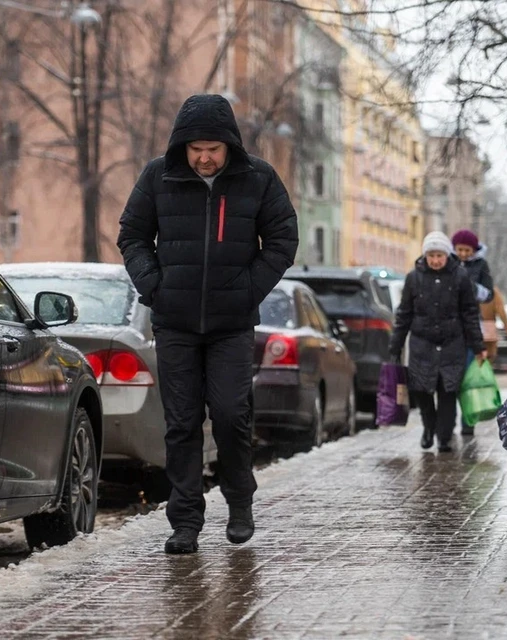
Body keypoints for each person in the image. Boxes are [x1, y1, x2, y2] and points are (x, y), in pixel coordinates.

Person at [117, 94, 298, 554]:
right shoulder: (159, 176)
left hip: (232, 324)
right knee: (180, 423)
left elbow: (282, 237)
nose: (204, 157)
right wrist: (154, 286)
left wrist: (248, 288)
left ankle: (239, 502)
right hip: (174, 322)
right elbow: (132, 235)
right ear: (183, 145)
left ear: (229, 146)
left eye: (213, 148)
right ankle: (185, 522)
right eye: (196, 147)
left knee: (232, 415)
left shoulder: (257, 178)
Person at [389, 231, 486, 453]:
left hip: (452, 345)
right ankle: (428, 427)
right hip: (422, 345)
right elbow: (404, 314)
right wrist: (395, 346)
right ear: (425, 256)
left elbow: (470, 314)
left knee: (447, 392)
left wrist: (479, 346)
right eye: (431, 255)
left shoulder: (460, 277)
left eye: (439, 255)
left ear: (446, 255)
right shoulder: (414, 278)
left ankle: (443, 437)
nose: (435, 260)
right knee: (422, 391)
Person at [451, 228, 495, 435]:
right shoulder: (447, 261)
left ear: (474, 249)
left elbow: (488, 295)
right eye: (460, 249)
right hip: (448, 327)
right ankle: (447, 422)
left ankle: (468, 421)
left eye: (467, 250)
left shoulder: (481, 265)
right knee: (450, 378)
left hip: (470, 327)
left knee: (467, 377)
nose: (463, 254)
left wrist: (467, 285)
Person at [480, 286, 507, 364]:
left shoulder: (469, 288)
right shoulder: (492, 292)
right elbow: (502, 313)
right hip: (489, 333)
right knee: (488, 360)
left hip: (471, 331)